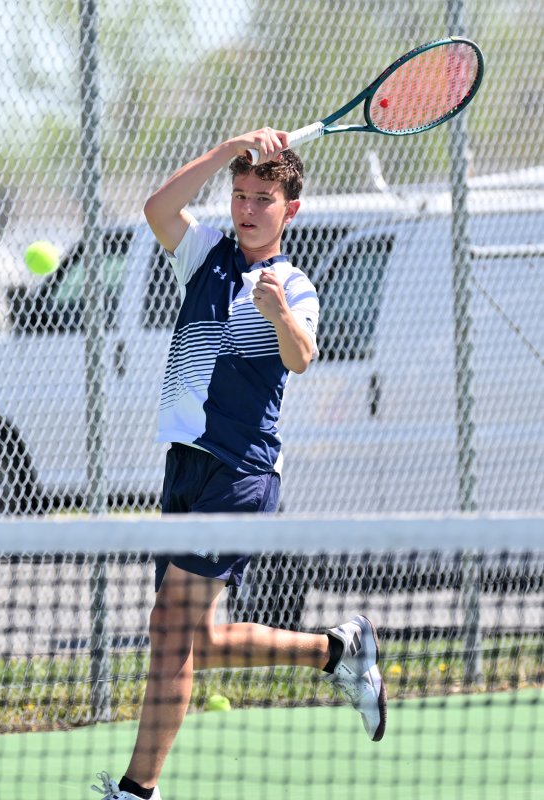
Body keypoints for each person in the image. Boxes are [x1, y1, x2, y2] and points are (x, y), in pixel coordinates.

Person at [91, 128, 387, 800]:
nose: (248, 208)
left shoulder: (293, 282)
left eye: (263, 199)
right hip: (185, 468)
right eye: (241, 194)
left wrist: (280, 313)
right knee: (200, 639)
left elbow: (301, 356)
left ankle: (138, 791)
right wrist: (228, 148)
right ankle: (338, 651)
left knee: (169, 631)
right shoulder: (204, 257)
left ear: (291, 210)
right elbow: (158, 210)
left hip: (240, 476)